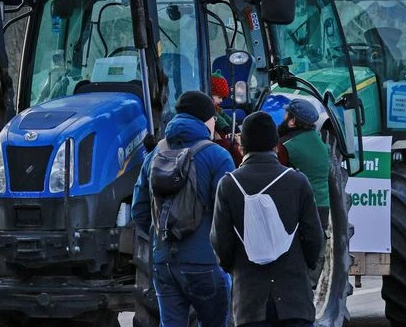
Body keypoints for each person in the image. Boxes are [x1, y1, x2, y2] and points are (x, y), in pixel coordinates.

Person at [132, 90, 236, 327]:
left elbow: (138, 211)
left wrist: (162, 240)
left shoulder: (154, 154)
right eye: (212, 118)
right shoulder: (218, 156)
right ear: (204, 119)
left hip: (164, 264)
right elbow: (227, 213)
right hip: (206, 263)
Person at [211, 111, 323, 327]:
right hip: (295, 298)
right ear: (275, 144)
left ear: (243, 145)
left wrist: (233, 267)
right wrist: (303, 267)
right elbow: (314, 238)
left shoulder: (229, 184)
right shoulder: (298, 182)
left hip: (250, 301)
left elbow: (220, 240)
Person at [278, 99, 330, 230]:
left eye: (286, 113)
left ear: (292, 121)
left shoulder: (286, 145)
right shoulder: (320, 143)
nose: (283, 117)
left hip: (300, 209)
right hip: (322, 208)